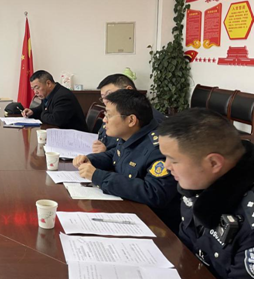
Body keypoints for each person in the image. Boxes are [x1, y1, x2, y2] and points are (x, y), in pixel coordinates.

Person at [158, 109, 253, 279]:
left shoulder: (250, 221)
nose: (166, 166)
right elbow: (186, 249)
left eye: (174, 160)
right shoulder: (197, 184)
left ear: (214, 163)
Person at [73, 89, 180, 231]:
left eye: (109, 115)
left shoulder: (158, 148)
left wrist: (98, 176)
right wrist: (90, 160)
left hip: (153, 225)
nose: (104, 120)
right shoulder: (131, 135)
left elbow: (155, 193)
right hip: (127, 209)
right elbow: (115, 155)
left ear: (131, 120)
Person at [92, 73, 167, 153]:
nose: (106, 101)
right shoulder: (112, 113)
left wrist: (105, 151)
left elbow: (138, 153)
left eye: (109, 94)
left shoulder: (151, 118)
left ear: (128, 90)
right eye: (103, 97)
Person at [21, 70, 88, 132]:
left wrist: (43, 114)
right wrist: (32, 112)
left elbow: (56, 120)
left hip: (76, 136)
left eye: (37, 87)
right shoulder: (50, 93)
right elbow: (43, 108)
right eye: (33, 89)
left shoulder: (63, 96)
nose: (35, 92)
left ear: (48, 83)